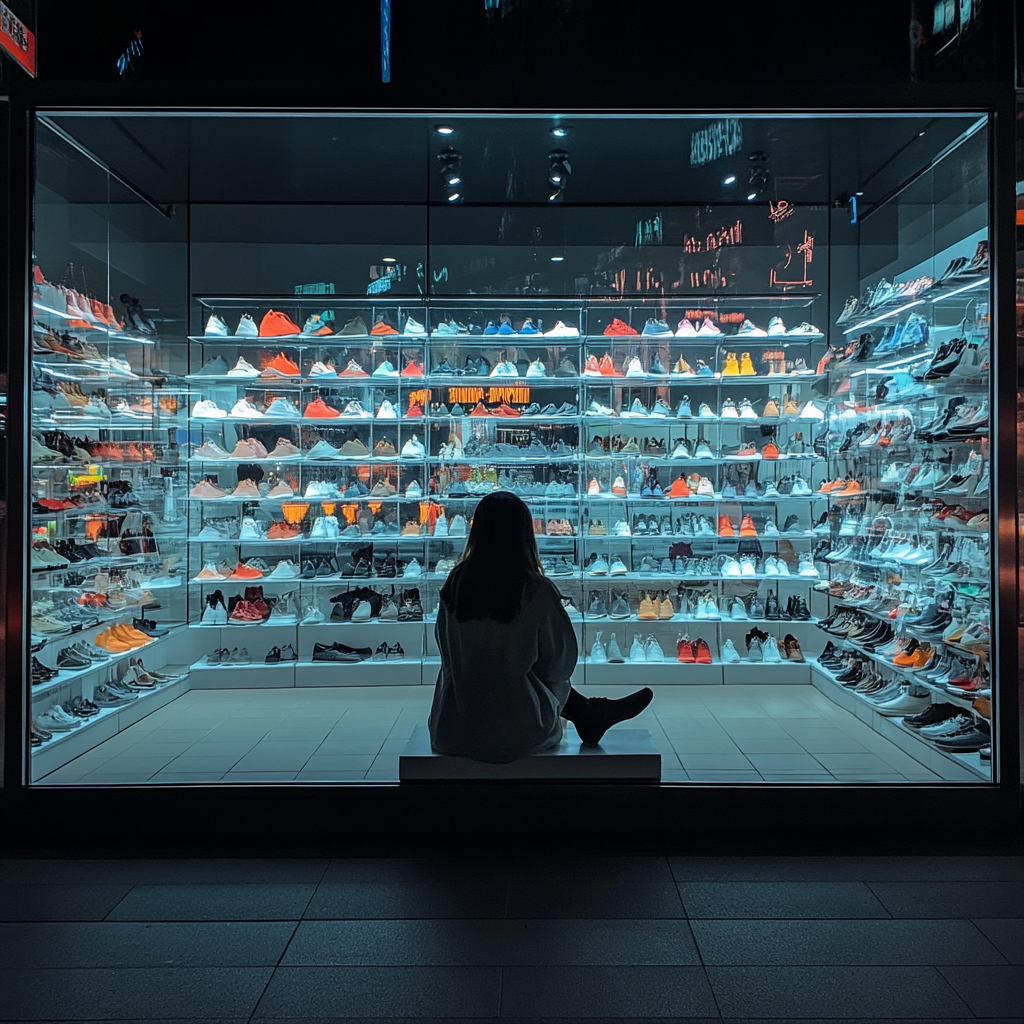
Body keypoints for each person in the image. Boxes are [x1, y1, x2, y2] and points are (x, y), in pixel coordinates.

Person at [429, 491, 653, 763]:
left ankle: (592, 713)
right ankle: (591, 713)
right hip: (522, 733)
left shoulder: (455, 585)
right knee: (541, 672)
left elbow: (446, 651)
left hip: (452, 729)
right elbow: (561, 665)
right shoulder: (535, 590)